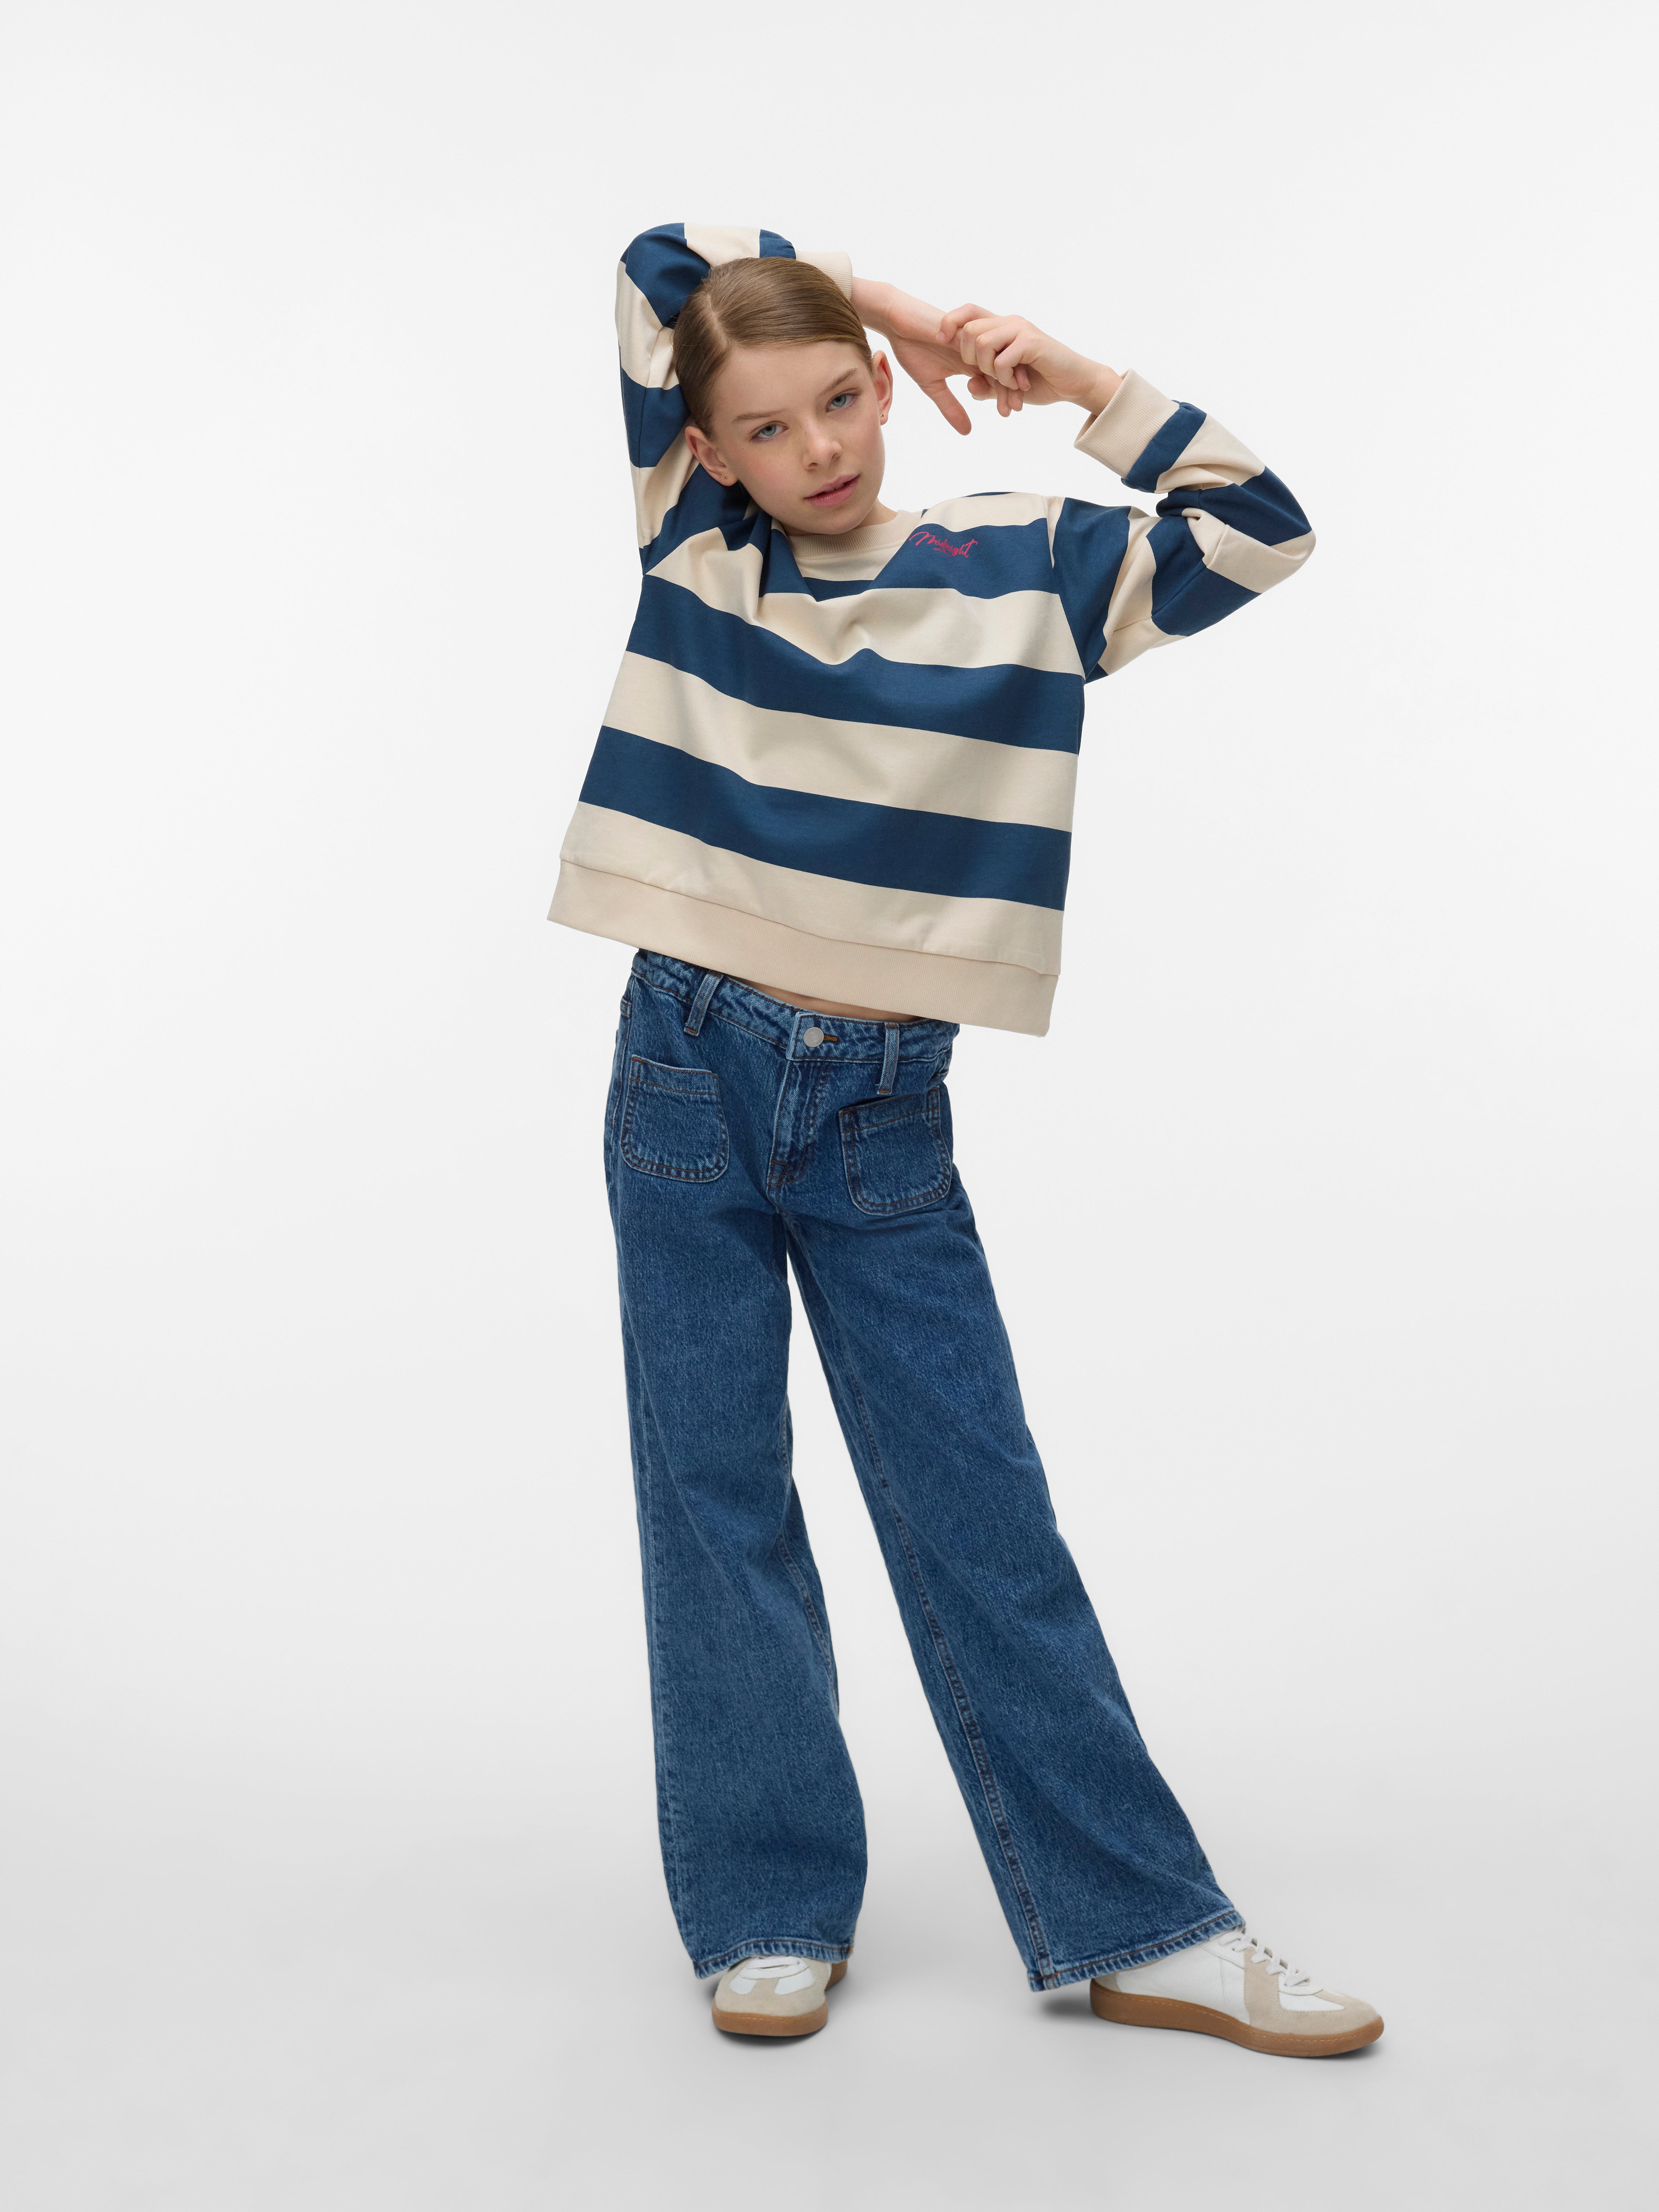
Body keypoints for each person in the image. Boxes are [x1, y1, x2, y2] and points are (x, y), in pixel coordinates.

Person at [550, 222, 1381, 2057]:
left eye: (840, 400)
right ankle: (766, 1906)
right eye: (767, 427)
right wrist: (885, 303)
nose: (819, 449)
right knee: (713, 1498)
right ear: (710, 452)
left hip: (880, 1109)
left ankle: (1138, 1923)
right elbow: (663, 255)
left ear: (878, 394)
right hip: (681, 1073)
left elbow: (1263, 527)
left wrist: (1058, 373)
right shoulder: (698, 545)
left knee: (980, 1511)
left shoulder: (1025, 561)